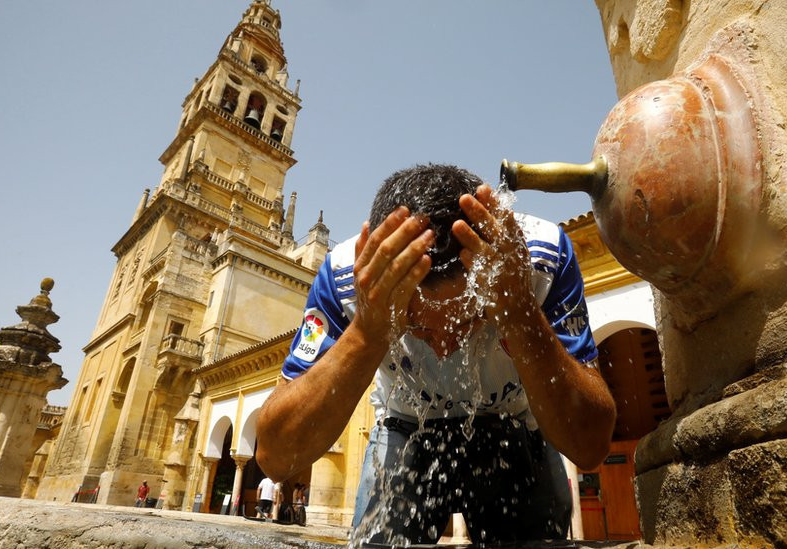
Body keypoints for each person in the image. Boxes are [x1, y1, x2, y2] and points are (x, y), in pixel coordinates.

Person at [257, 164, 616, 544]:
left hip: (514, 423)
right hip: (404, 425)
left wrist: (522, 316)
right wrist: (366, 331)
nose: (446, 347)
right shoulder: (348, 280)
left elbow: (589, 447)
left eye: (469, 320)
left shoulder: (537, 260)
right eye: (419, 328)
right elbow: (277, 458)